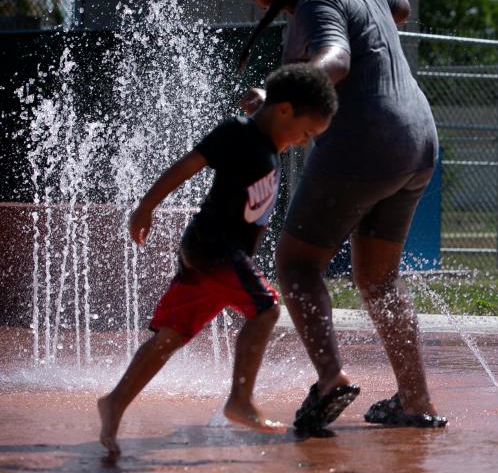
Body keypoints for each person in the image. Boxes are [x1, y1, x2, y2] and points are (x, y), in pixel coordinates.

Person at [227, 0, 446, 432]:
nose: (257, 3)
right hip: (418, 141)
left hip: (364, 142)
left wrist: (275, 91)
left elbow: (337, 59)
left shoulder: (313, 2)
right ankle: (416, 401)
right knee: (378, 278)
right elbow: (401, 8)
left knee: (297, 264)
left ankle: (331, 379)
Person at [97, 63, 338, 456]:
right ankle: (240, 399)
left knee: (172, 334)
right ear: (285, 112)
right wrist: (146, 207)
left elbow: (272, 112)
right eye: (306, 133)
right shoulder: (237, 134)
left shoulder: (268, 132)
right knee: (265, 308)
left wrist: (264, 99)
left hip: (212, 254)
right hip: (216, 247)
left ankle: (114, 402)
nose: (300, 143)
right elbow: (187, 166)